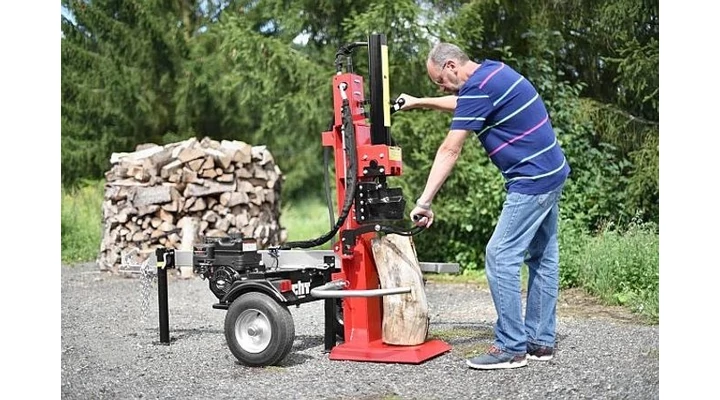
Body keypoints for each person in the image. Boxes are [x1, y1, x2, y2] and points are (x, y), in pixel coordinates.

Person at [397, 42, 570, 370]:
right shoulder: (493, 72)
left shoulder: (479, 87)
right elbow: (462, 102)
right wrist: (421, 102)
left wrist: (424, 201)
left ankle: (511, 347)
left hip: (531, 181)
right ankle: (540, 342)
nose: (441, 86)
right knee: (543, 258)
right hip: (552, 171)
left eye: (439, 80)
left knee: (500, 255)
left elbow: (450, 149)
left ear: (450, 66)